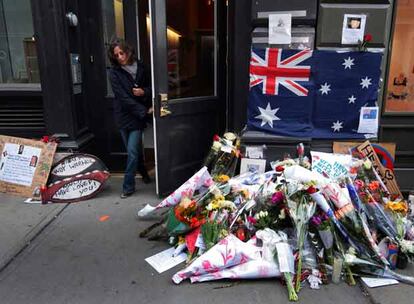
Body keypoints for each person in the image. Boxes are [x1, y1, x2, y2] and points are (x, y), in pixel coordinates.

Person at [108, 39, 152, 198]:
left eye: (122, 53)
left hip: (137, 118)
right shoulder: (114, 72)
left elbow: (152, 86)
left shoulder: (142, 67)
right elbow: (122, 98)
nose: (120, 57)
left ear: (128, 51)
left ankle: (128, 186)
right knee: (133, 151)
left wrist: (144, 92)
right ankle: (144, 174)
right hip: (124, 116)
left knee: (132, 152)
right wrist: (145, 111)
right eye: (116, 55)